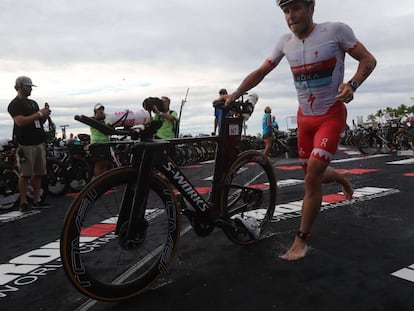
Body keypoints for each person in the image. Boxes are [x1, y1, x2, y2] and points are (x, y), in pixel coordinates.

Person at [225, 0, 376, 260]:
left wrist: (352, 84)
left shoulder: (336, 31)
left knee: (311, 177)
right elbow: (262, 71)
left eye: (295, 8)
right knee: (311, 174)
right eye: (285, 10)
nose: (290, 16)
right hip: (304, 119)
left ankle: (301, 240)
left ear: (311, 7)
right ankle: (341, 178)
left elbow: (368, 59)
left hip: (331, 114)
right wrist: (236, 93)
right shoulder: (285, 42)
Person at [7, 76, 53, 211]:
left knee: (38, 172)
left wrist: (44, 116)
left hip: (38, 141)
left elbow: (37, 122)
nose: (30, 89)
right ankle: (23, 202)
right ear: (20, 86)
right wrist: (39, 113)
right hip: (25, 143)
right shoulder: (14, 104)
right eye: (28, 86)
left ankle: (37, 199)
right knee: (25, 173)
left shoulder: (32, 103)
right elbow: (20, 121)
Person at [89, 103, 112, 177]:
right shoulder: (92, 120)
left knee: (106, 163)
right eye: (99, 109)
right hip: (97, 144)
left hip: (106, 143)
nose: (101, 111)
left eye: (102, 109)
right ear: (95, 111)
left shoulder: (106, 120)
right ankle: (98, 184)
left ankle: (104, 182)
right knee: (99, 164)